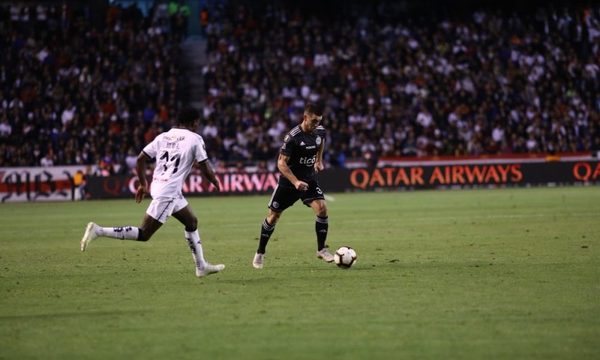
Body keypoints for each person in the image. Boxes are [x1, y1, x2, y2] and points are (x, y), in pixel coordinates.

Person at [80, 107, 225, 277]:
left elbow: (141, 158)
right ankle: (99, 230)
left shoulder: (163, 136)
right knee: (144, 233)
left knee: (191, 222)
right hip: (168, 191)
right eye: (197, 122)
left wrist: (143, 184)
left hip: (160, 185)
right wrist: (214, 180)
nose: (198, 125)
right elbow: (205, 167)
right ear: (193, 122)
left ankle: (201, 266)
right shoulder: (195, 139)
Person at [252, 103, 334, 269]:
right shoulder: (293, 137)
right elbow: (281, 163)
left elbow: (321, 142)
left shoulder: (319, 131)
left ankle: (321, 249)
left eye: (318, 121)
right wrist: (295, 182)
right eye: (313, 121)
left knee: (322, 208)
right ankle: (260, 251)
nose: (316, 124)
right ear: (305, 118)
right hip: (289, 183)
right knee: (273, 216)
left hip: (309, 179)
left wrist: (319, 160)